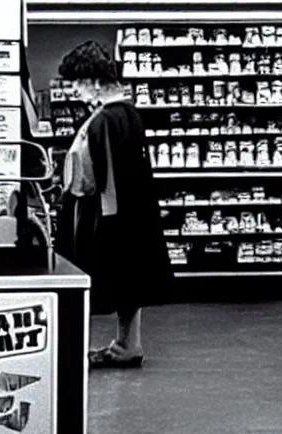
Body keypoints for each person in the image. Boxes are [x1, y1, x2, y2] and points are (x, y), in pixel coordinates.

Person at [55, 40, 173, 369]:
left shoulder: (106, 119)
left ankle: (109, 347)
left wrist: (105, 225)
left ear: (94, 81)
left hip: (104, 214)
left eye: (77, 83)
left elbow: (102, 178)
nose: (74, 91)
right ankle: (126, 345)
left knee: (100, 282)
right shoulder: (127, 114)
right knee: (129, 284)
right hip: (126, 213)